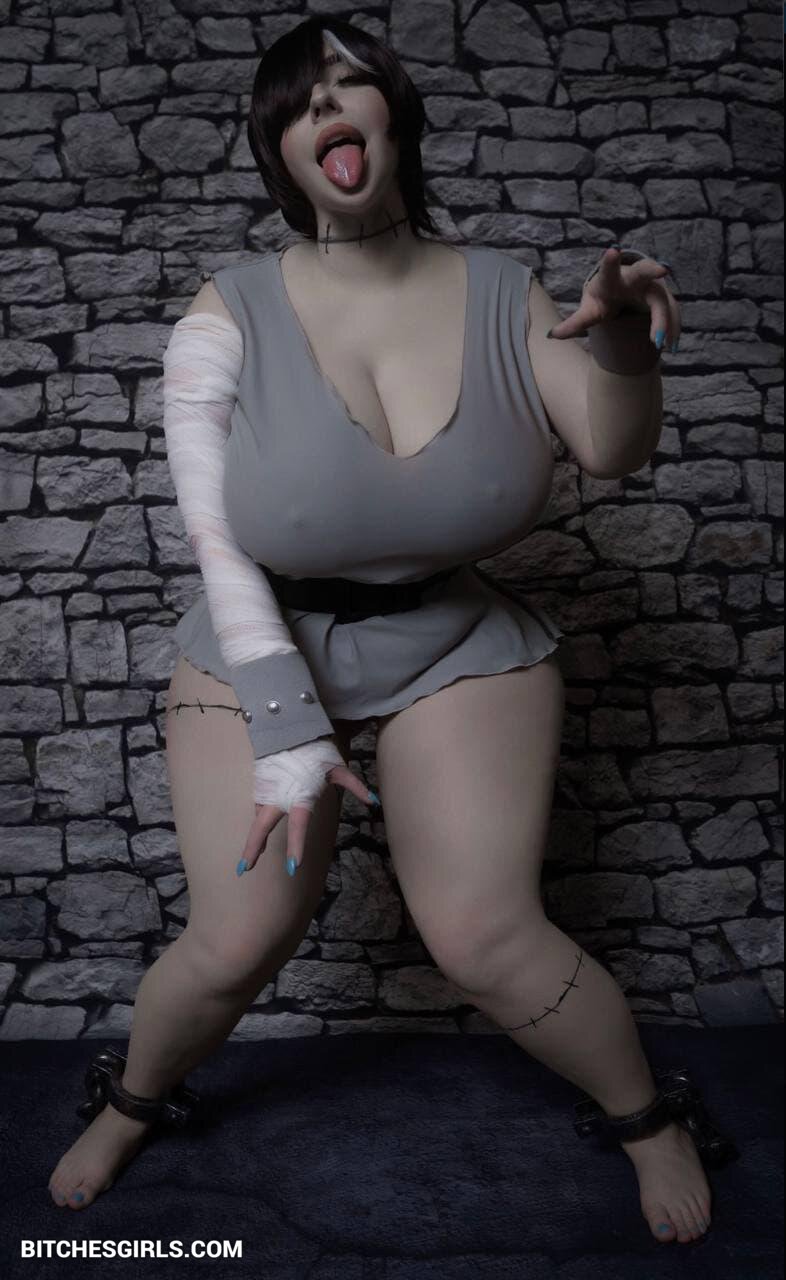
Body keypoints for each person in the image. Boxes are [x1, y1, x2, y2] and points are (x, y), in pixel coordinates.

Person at [48, 15, 721, 1245]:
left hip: (454, 640)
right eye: (299, 101)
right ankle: (132, 1099)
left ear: (394, 117)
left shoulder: (503, 290)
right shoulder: (226, 311)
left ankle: (648, 1116)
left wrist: (625, 341)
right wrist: (284, 727)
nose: (327, 108)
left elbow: (612, 450)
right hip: (262, 641)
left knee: (484, 936)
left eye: (351, 85)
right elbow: (215, 538)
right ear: (281, 149)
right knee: (239, 935)